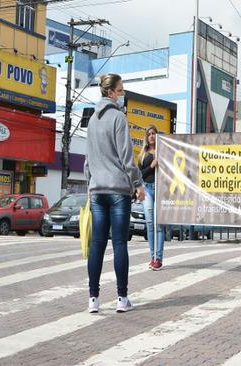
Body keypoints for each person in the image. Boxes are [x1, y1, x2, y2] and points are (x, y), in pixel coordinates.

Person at [84, 73, 145, 313]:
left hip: (97, 190)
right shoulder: (118, 118)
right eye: (121, 90)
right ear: (110, 92)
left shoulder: (91, 121)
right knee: (119, 243)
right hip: (119, 190)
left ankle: (93, 299)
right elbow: (126, 157)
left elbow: (88, 161)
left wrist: (90, 185)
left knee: (97, 244)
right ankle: (121, 298)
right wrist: (138, 183)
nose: (123, 94)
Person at [138, 125, 166, 270]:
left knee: (158, 225)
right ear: (146, 136)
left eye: (154, 133)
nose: (151, 136)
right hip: (147, 189)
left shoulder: (162, 152)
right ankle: (152, 256)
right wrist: (152, 166)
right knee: (149, 223)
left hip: (160, 189)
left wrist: (159, 161)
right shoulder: (143, 154)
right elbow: (140, 174)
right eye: (149, 134)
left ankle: (159, 258)